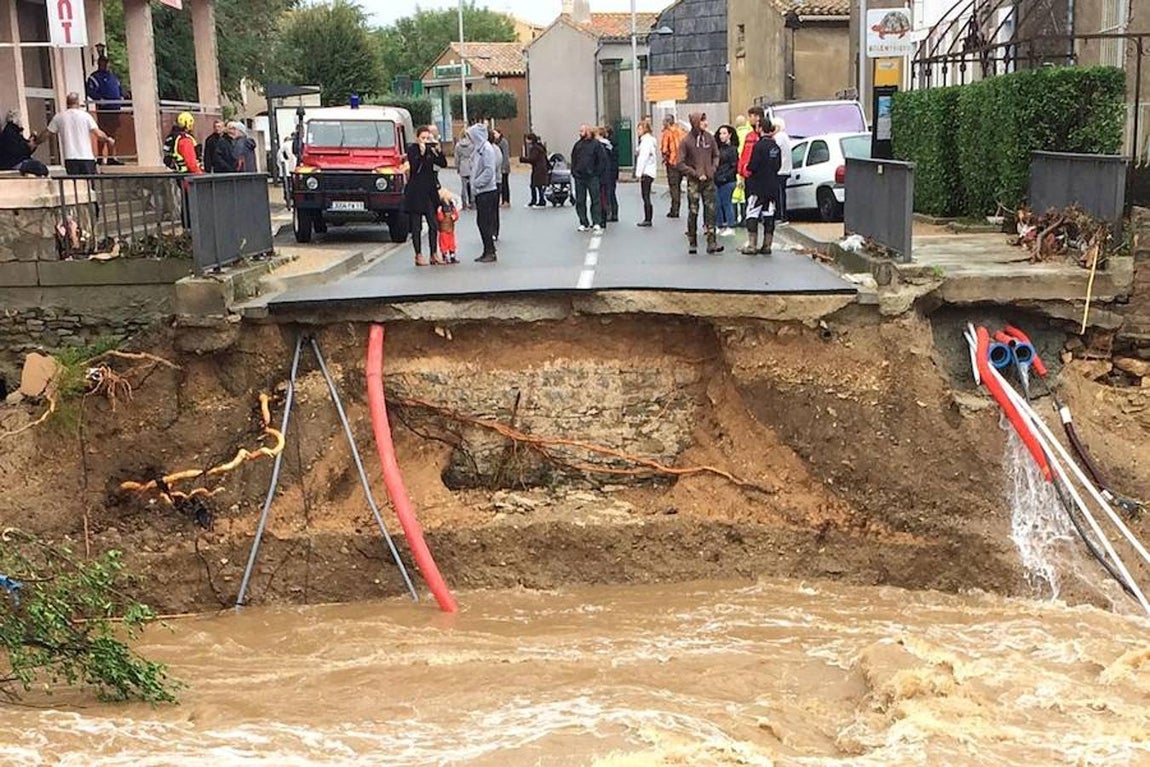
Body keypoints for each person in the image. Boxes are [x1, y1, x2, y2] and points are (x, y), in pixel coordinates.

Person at [676, 112, 721, 255]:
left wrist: (713, 169)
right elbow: (680, 163)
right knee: (693, 212)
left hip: (709, 180)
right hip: (694, 182)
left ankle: (712, 242)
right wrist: (695, 173)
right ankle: (692, 241)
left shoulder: (710, 138)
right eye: (702, 121)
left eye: (705, 120)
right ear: (695, 123)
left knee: (711, 211)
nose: (705, 123)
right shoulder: (686, 141)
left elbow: (716, 155)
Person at [38, 92, 114, 176]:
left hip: (70, 157)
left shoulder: (59, 117)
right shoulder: (86, 116)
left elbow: (47, 133)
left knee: (75, 185)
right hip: (86, 157)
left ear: (67, 103)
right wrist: (107, 139)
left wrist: (36, 142)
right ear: (78, 102)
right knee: (89, 186)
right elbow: (99, 134)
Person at [404, 124, 448, 266]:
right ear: (417, 138)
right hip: (416, 192)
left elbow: (443, 164)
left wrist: (438, 152)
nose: (425, 140)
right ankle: (418, 254)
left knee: (433, 224)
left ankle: (434, 254)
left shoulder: (431, 149)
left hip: (429, 192)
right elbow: (415, 168)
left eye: (428, 138)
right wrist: (421, 154)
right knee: (417, 226)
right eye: (423, 138)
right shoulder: (412, 150)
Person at [741, 120, 782, 256]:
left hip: (757, 186)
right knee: (769, 214)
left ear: (760, 129)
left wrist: (747, 167)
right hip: (772, 186)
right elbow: (778, 166)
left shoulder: (758, 146)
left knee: (752, 213)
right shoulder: (775, 146)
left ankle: (752, 245)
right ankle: (767, 245)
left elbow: (753, 165)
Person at [468, 123, 500, 263]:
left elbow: (488, 170)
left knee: (485, 222)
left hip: (487, 191)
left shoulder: (486, 149)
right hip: (481, 192)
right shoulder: (478, 149)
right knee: (481, 222)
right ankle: (487, 249)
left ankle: (490, 251)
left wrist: (476, 183)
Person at [85, 57, 124, 166]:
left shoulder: (113, 77)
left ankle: (111, 157)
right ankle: (100, 157)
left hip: (115, 109)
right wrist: (100, 99)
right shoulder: (94, 77)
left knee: (113, 133)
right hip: (104, 110)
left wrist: (121, 97)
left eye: (106, 63)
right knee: (103, 133)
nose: (105, 65)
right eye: (103, 63)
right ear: (99, 64)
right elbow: (91, 91)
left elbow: (120, 90)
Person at [738, 106, 766, 252]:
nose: (749, 119)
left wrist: (746, 171)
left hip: (757, 178)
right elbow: (743, 156)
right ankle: (757, 243)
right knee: (755, 209)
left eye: (751, 116)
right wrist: (741, 174)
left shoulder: (762, 137)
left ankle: (754, 244)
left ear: (757, 118)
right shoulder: (749, 136)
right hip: (749, 176)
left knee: (754, 210)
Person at [570, 123, 607, 233]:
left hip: (592, 177)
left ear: (588, 132)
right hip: (579, 177)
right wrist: (574, 172)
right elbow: (574, 159)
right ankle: (583, 222)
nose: (580, 133)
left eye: (582, 131)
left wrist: (597, 173)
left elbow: (602, 160)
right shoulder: (577, 145)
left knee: (595, 199)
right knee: (580, 200)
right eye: (580, 131)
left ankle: (596, 221)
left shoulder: (596, 145)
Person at [0, 111, 47, 176]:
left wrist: (31, 143)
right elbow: (18, 150)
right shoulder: (10, 133)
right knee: (38, 167)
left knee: (40, 167)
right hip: (13, 163)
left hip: (17, 161)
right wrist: (29, 145)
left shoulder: (14, 132)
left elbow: (23, 148)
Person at [714, 124, 740, 237]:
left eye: (724, 133)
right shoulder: (717, 148)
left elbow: (734, 166)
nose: (721, 136)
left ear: (729, 135)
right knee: (717, 203)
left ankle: (730, 225)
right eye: (720, 133)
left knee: (726, 202)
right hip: (717, 179)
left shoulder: (733, 149)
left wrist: (725, 176)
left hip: (728, 181)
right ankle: (719, 225)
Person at [659, 114, 686, 218]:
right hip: (682, 162)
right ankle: (677, 208)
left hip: (672, 162)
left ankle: (674, 210)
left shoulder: (667, 133)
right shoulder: (681, 131)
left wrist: (665, 157)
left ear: (667, 122)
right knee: (679, 185)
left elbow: (665, 148)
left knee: (674, 186)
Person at [633, 118, 658, 227]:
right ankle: (648, 218)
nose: (638, 131)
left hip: (646, 171)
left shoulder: (645, 142)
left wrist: (638, 173)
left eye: (640, 129)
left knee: (645, 195)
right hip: (650, 170)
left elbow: (642, 158)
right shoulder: (649, 140)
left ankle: (648, 218)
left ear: (645, 130)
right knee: (646, 195)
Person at [771, 117, 793, 225]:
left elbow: (774, 149)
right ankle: (780, 215)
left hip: (781, 170)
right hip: (784, 169)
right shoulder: (784, 136)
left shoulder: (779, 137)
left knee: (779, 194)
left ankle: (782, 216)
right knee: (780, 193)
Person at [597, 124, 619, 225]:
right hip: (613, 170)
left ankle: (610, 212)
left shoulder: (606, 144)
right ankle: (614, 213)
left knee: (608, 192)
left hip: (609, 171)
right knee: (611, 192)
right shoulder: (612, 143)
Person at [521, 133, 549, 208]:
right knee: (538, 185)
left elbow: (532, 159)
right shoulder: (540, 147)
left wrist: (523, 159)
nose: (526, 141)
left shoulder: (535, 148)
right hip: (541, 168)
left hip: (538, 169)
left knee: (534, 185)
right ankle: (540, 200)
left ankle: (538, 201)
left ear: (530, 140)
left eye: (527, 139)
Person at [732, 114, 751, 226]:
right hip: (747, 166)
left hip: (738, 166)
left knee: (736, 193)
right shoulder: (750, 134)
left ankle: (734, 218)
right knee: (744, 193)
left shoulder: (736, 135)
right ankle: (744, 218)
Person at [436, 187, 460, 265]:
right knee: (444, 243)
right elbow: (440, 218)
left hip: (450, 229)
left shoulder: (451, 206)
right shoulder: (441, 208)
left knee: (451, 243)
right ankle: (445, 255)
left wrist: (455, 216)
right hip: (444, 230)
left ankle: (452, 255)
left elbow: (455, 214)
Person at [455, 129, 474, 210]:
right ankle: (473, 202)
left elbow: (457, 158)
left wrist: (458, 167)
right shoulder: (472, 145)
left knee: (464, 186)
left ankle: (464, 203)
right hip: (471, 165)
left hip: (463, 165)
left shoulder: (458, 145)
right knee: (472, 185)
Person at [493, 128, 511, 207]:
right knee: (499, 184)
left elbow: (505, 155)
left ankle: (506, 200)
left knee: (504, 184)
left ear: (499, 134)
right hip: (497, 167)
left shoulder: (503, 142)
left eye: (495, 133)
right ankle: (502, 200)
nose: (494, 135)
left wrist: (504, 167)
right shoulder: (495, 143)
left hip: (504, 167)